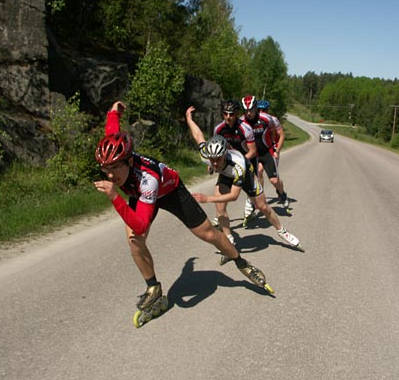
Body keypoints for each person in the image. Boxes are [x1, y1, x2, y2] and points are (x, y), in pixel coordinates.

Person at [94, 102, 274, 324]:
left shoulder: (147, 178)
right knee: (134, 239)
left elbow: (141, 223)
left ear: (130, 161)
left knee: (208, 234)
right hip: (141, 195)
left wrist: (114, 197)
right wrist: (114, 112)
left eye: (115, 169)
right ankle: (153, 289)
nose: (111, 176)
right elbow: (111, 133)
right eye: (106, 169)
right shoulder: (120, 158)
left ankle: (241, 262)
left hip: (170, 191)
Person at [185, 105, 302, 262]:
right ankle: (229, 240)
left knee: (263, 207)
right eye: (211, 159)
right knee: (220, 210)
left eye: (217, 159)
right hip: (226, 175)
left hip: (245, 175)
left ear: (225, 155)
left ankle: (282, 231)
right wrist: (188, 119)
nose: (213, 163)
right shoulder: (207, 155)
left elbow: (234, 196)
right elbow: (198, 136)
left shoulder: (238, 164)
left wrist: (206, 199)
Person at [209, 100, 257, 238]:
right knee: (220, 201)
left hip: (245, 164)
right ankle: (226, 232)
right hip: (228, 166)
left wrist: (240, 164)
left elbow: (252, 151)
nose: (228, 116)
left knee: (261, 204)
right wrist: (211, 163)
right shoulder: (219, 129)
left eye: (231, 114)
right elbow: (215, 148)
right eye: (225, 113)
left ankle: (251, 205)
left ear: (236, 114)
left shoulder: (245, 128)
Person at [240, 96, 291, 212]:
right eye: (246, 111)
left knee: (274, 180)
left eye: (251, 110)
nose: (249, 113)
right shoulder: (241, 121)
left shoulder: (267, 119)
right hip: (254, 154)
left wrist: (275, 148)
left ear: (255, 108)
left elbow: (275, 133)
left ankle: (282, 194)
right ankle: (254, 200)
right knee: (257, 174)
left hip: (267, 152)